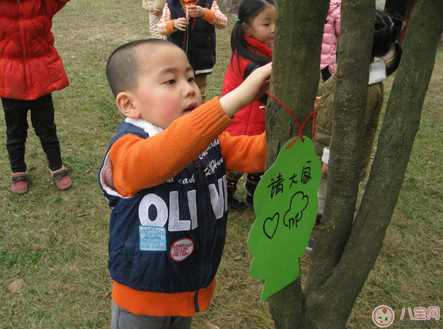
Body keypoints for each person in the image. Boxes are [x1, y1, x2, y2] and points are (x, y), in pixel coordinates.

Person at [99, 39, 272, 329]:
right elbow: (165, 155)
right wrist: (236, 99)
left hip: (188, 285)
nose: (190, 88)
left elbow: (257, 154)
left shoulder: (210, 141)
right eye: (170, 80)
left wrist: (299, 119)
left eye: (191, 77)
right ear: (129, 104)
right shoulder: (127, 152)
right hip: (143, 295)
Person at [314, 9, 402, 225]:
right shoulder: (350, 70)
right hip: (324, 145)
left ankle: (323, 224)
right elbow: (330, 89)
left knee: (326, 198)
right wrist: (321, 98)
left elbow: (350, 131)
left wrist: (329, 158)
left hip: (337, 158)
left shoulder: (367, 88)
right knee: (319, 191)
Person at [0, 0, 73, 195]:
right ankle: (18, 171)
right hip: (10, 80)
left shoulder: (42, 4)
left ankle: (56, 166)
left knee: (47, 129)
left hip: (40, 78)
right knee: (15, 131)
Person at [221, 0, 275, 211]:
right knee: (238, 163)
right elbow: (267, 96)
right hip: (245, 124)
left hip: (251, 120)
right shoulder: (253, 62)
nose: (273, 29)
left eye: (276, 22)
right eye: (266, 24)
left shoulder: (251, 49)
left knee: (257, 162)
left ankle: (254, 195)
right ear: (247, 28)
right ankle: (225, 196)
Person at [157, 0, 227, 102]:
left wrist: (205, 13)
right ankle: (180, 115)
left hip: (200, 57)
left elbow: (223, 22)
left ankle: (200, 116)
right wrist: (173, 24)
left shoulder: (209, 3)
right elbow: (160, 27)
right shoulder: (171, 4)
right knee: (177, 92)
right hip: (176, 59)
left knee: (198, 92)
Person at [320, 0, 341, 82]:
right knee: (328, 78)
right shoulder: (337, 8)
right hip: (327, 52)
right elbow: (339, 31)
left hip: (313, 48)